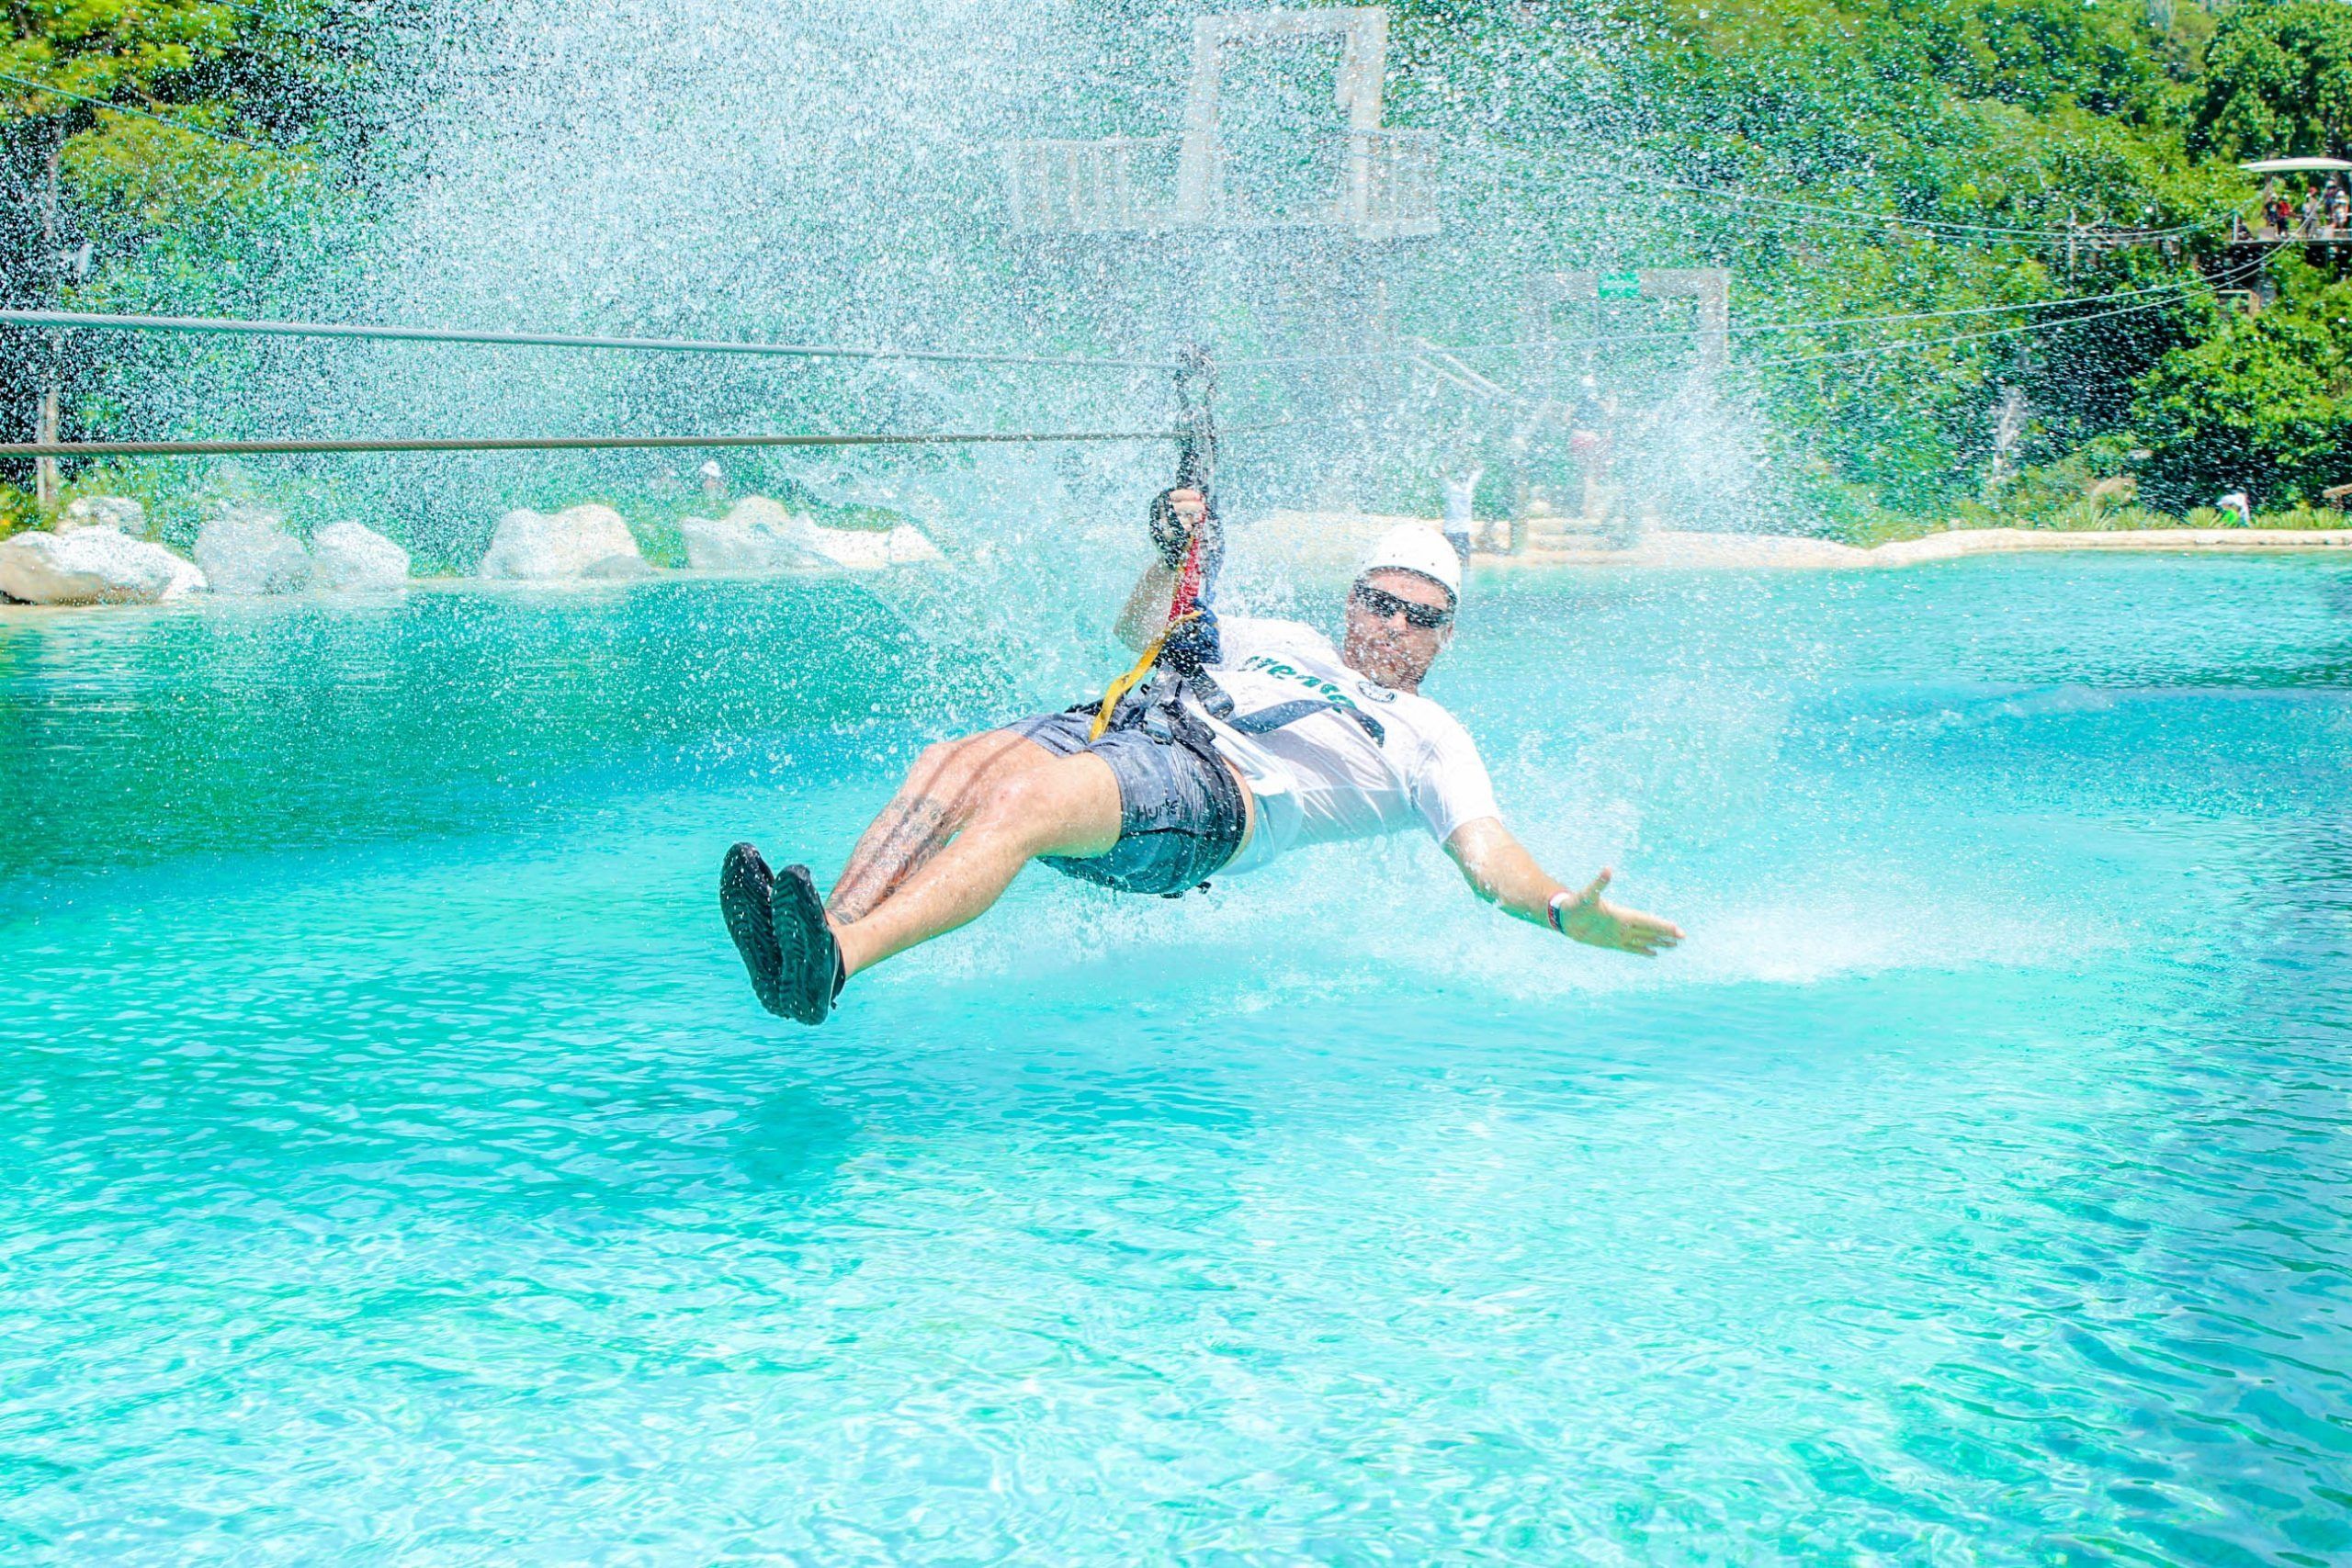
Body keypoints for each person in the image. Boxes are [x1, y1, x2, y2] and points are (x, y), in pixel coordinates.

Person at [719, 488, 1685, 1024]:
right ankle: (811, 937)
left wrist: (1560, 912)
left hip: (1212, 801)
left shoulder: (1434, 739)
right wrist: (1175, 543)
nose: (1391, 627)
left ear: (1445, 635)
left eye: (1418, 616)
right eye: (1377, 602)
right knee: (955, 760)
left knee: (1024, 800)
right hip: (1131, 723)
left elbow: (1490, 861)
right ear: (1350, 600)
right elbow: (1140, 622)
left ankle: (836, 966)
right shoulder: (1279, 638)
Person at [1441, 464, 1484, 565]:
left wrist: (1446, 463)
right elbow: (1479, 470)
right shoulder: (1468, 488)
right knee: (1465, 560)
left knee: (1448, 557)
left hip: (1450, 529)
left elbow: (1442, 475)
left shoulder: (1451, 488)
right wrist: (1470, 458)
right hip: (1463, 529)